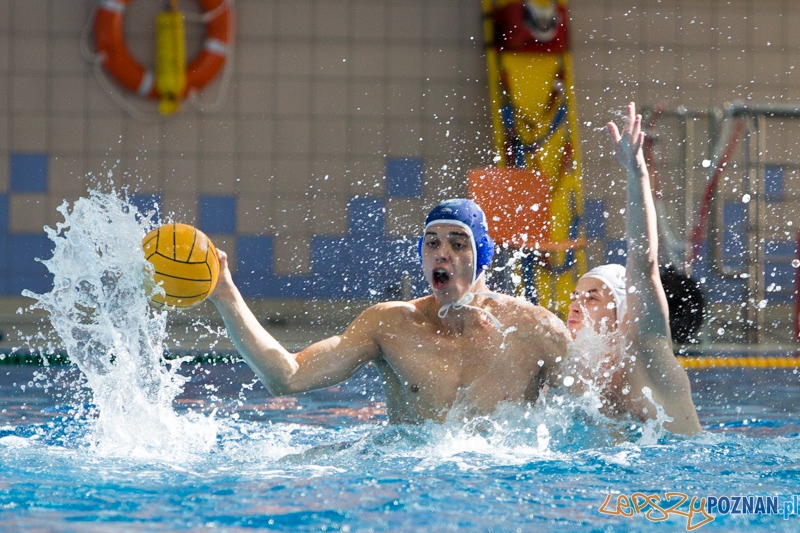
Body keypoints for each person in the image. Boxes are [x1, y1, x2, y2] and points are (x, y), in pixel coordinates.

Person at [210, 199, 571, 424]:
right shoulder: (391, 325)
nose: (442, 253)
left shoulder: (533, 329)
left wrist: (632, 186)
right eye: (432, 244)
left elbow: (609, 408)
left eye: (458, 244)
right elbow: (287, 378)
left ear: (483, 257)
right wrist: (226, 294)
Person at [565, 102, 702, 436]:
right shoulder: (571, 374)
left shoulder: (646, 356)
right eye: (575, 295)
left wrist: (636, 174)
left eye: (593, 298)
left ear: (623, 314)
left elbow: (644, 264)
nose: (575, 306)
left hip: (681, 479)